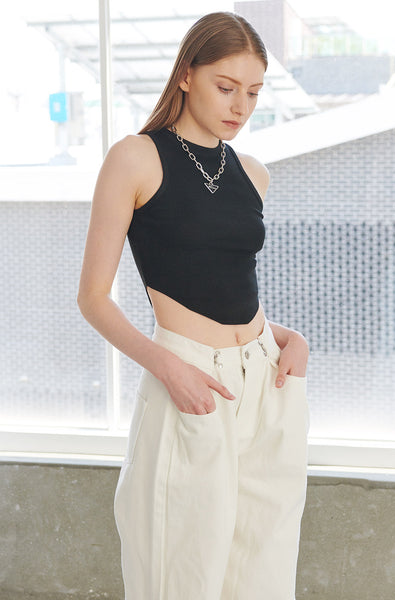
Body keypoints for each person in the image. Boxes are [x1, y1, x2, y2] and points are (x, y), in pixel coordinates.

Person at [77, 10, 310, 600]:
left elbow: (225, 284)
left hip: (266, 379)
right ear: (186, 74)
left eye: (253, 92)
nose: (241, 106)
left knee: (262, 571)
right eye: (226, 87)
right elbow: (93, 298)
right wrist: (167, 366)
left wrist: (287, 337)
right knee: (178, 572)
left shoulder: (252, 174)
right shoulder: (135, 158)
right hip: (188, 377)